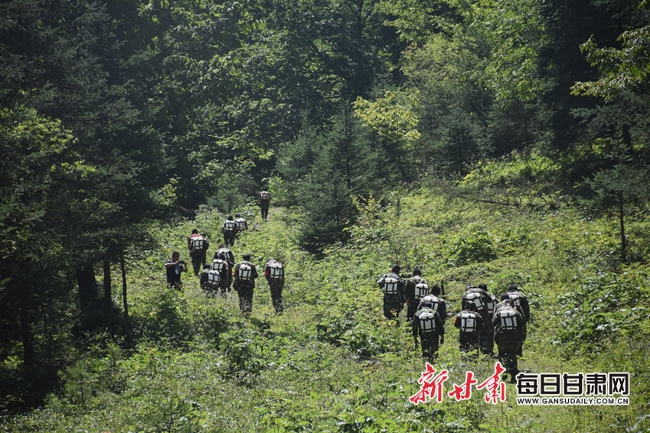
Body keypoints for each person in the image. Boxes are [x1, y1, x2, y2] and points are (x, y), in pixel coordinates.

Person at [493, 294, 526, 382]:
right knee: (512, 354)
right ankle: (513, 375)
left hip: (502, 335)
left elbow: (494, 322)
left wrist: (496, 336)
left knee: (502, 353)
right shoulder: (515, 310)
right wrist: (521, 338)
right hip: (514, 336)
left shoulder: (499, 309)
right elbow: (521, 324)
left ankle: (503, 373)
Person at [462, 285, 495, 355]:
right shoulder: (480, 291)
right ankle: (487, 352)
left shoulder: (465, 295)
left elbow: (463, 309)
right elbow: (489, 300)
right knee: (486, 333)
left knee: (473, 334)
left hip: (472, 317)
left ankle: (472, 352)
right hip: (484, 316)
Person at [499, 284, 530, 356]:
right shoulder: (522, 295)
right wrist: (526, 319)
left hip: (504, 325)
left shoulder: (505, 298)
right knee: (519, 336)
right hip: (520, 318)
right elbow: (526, 309)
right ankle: (518, 352)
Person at [412, 296, 445, 362]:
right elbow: (440, 326)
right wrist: (442, 337)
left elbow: (414, 327)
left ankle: (426, 364)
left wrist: (415, 339)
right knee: (434, 352)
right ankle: (434, 364)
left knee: (425, 351)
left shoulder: (418, 314)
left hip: (423, 335)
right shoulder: (435, 313)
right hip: (434, 336)